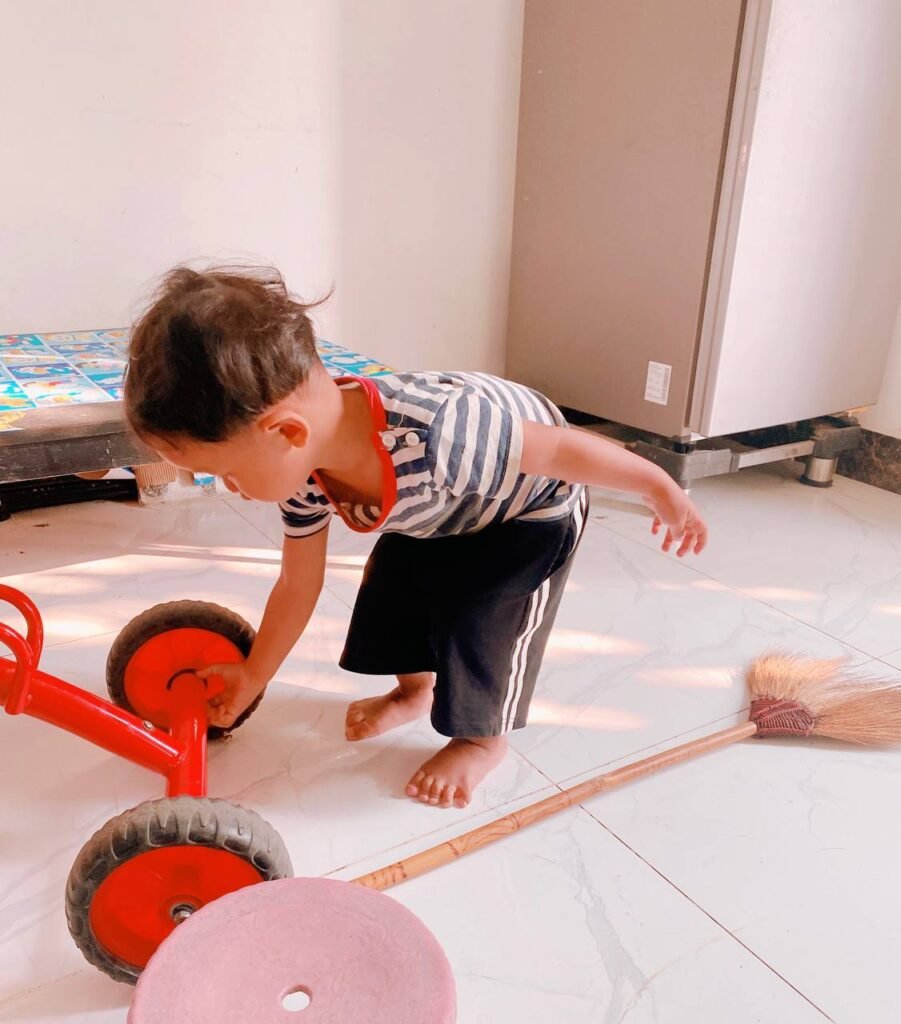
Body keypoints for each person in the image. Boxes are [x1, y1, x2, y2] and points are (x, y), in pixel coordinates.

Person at [125, 266, 708, 809]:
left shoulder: (442, 431)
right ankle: (414, 692)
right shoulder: (303, 472)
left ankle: (482, 741)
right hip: (439, 509)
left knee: (483, 619)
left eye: (224, 471)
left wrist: (658, 486)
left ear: (284, 431)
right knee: (392, 592)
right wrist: (254, 674)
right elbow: (298, 582)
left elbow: (560, 450)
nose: (228, 486)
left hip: (529, 512)